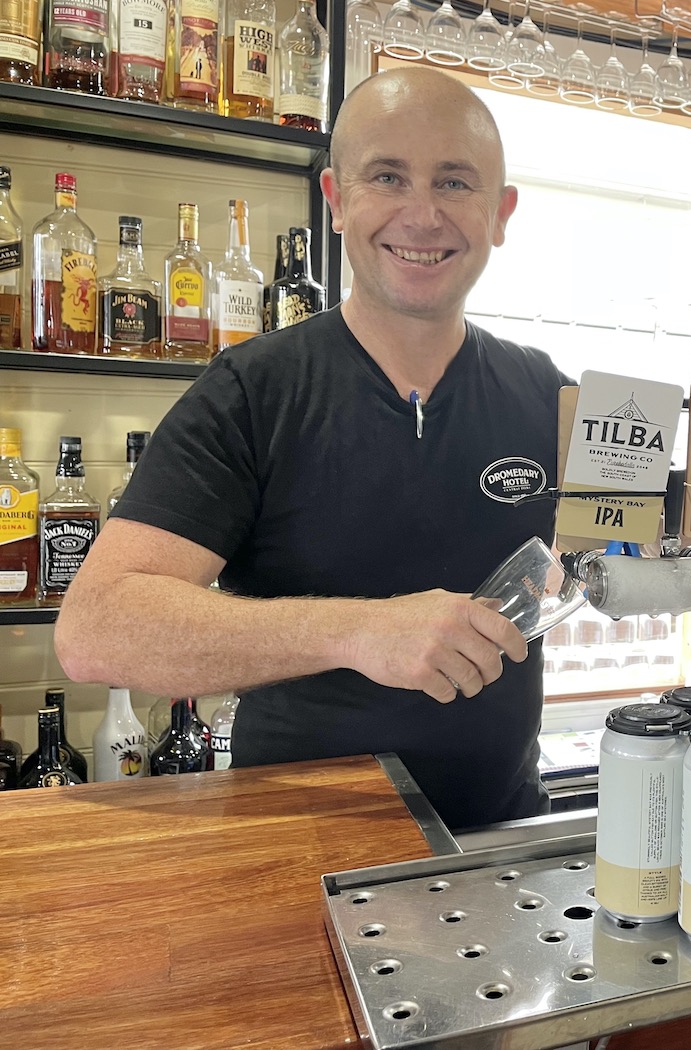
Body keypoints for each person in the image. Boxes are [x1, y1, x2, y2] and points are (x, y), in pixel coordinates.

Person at [55, 68, 571, 830]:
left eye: (455, 182)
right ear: (335, 200)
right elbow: (96, 630)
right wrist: (362, 631)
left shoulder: (546, 395)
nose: (423, 214)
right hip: (298, 855)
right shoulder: (251, 392)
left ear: (500, 214)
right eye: (388, 176)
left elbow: (648, 539)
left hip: (499, 847)